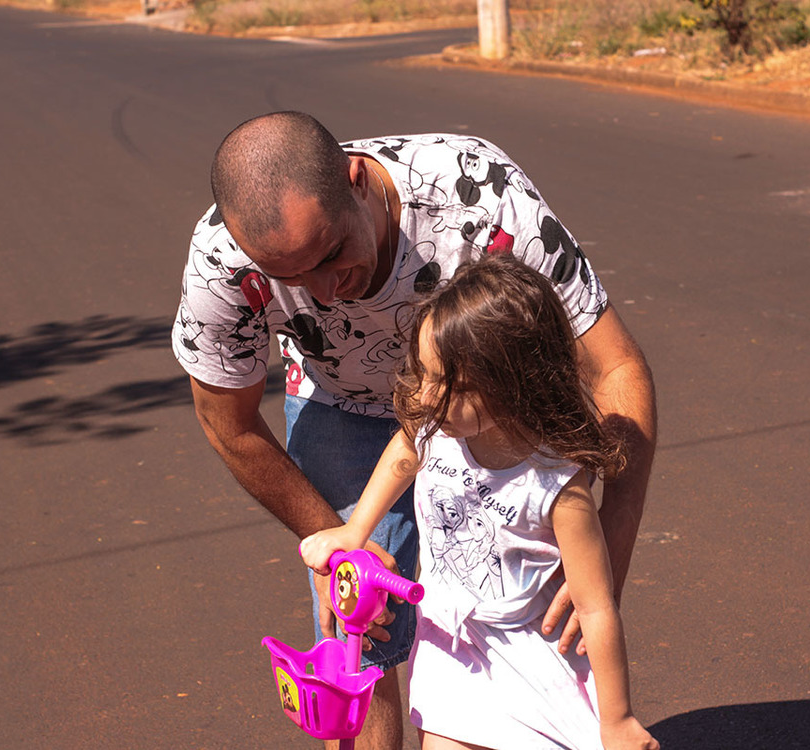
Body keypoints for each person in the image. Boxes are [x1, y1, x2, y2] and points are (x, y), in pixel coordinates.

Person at [171, 111, 657, 750]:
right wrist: (333, 541)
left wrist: (605, 556)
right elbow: (227, 425)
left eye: (332, 254)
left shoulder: (479, 196)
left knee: (527, 621)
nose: (325, 290)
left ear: (356, 180)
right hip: (341, 403)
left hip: (491, 413)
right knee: (355, 635)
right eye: (292, 278)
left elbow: (617, 367)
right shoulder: (222, 261)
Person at [300, 253, 659, 750]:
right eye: (422, 374)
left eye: (450, 385)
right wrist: (354, 530)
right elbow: (405, 450)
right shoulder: (439, 429)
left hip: (530, 661)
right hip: (448, 648)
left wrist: (617, 717)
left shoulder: (556, 487)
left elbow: (597, 609)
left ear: (513, 384)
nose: (425, 398)